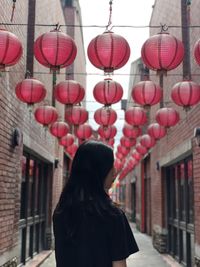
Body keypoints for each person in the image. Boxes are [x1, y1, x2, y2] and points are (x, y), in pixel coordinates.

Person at [53, 140, 139, 267]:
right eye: (111, 165)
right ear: (98, 171)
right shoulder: (113, 215)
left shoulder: (61, 211)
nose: (115, 172)